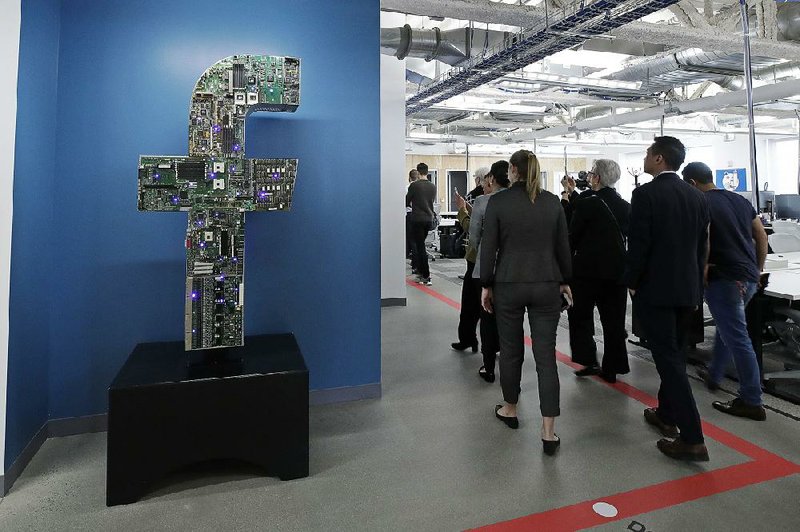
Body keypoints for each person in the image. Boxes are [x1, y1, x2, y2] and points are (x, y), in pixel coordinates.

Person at [480, 150, 572, 455]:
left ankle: (510, 408)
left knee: (511, 350)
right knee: (546, 356)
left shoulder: (499, 201)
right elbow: (563, 246)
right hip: (546, 284)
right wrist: (565, 280)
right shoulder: (551, 202)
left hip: (508, 283)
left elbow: (488, 245)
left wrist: (486, 284)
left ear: (512, 171)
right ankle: (549, 432)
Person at [624, 136, 710, 462]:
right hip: (688, 291)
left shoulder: (645, 194)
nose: (644, 158)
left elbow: (639, 244)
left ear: (659, 159)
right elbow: (702, 246)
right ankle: (666, 413)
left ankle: (692, 437)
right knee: (674, 353)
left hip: (657, 291)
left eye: (647, 153)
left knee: (668, 361)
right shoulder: (697, 196)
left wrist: (632, 282)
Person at [682, 161, 768, 421]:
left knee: (737, 337)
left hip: (725, 278)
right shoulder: (740, 200)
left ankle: (752, 400)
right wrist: (758, 269)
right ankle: (715, 374)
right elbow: (761, 236)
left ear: (692, 184)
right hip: (749, 277)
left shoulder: (701, 203)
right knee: (728, 327)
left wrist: (702, 267)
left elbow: (704, 238)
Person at [569, 159, 631, 383]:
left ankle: (588, 360)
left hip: (586, 272)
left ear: (596, 177)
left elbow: (573, 237)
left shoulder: (586, 203)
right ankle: (613, 367)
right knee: (614, 320)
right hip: (616, 272)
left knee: (580, 317)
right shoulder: (625, 205)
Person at [469, 161, 510, 381]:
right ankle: (509, 362)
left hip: (485, 269)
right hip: (512, 271)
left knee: (487, 317)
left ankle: (488, 366)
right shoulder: (519, 202)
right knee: (509, 317)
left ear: (491, 179)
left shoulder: (482, 202)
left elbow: (474, 238)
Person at [450, 166, 490, 352]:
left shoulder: (482, 199)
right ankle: (481, 342)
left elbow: (473, 229)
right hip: (489, 260)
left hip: (478, 258)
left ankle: (470, 339)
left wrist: (462, 210)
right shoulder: (497, 201)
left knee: (472, 303)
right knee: (480, 305)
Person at [406, 163, 437, 285]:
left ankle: (426, 275)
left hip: (417, 219)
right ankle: (420, 271)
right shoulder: (433, 186)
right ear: (427, 172)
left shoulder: (414, 186)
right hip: (429, 219)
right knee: (420, 245)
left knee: (420, 247)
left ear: (418, 173)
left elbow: (406, 201)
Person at [406, 169, 420, 264]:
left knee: (411, 240)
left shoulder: (406, 187)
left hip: (410, 215)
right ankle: (417, 263)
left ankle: (414, 262)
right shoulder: (422, 188)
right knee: (418, 240)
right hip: (420, 215)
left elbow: (404, 203)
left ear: (409, 177)